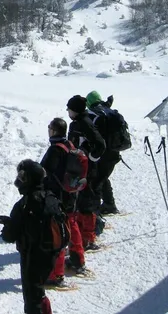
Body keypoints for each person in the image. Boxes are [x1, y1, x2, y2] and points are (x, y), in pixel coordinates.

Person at [0, 159, 62, 314]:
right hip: (51, 254)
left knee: (32, 297)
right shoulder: (50, 197)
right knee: (39, 291)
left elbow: (10, 236)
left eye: (22, 176)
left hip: (32, 256)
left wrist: (9, 225)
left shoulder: (24, 204)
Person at [40, 117, 88, 286]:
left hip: (58, 196)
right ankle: (78, 260)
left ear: (53, 131)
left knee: (57, 234)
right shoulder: (70, 145)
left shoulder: (55, 150)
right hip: (71, 194)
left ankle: (55, 274)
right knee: (72, 226)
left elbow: (45, 171)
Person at [66, 95, 106, 253]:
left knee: (86, 202)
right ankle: (84, 235)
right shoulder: (79, 123)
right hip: (80, 167)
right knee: (81, 200)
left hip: (86, 169)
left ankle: (88, 237)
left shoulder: (84, 123)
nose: (68, 111)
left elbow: (100, 144)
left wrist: (89, 158)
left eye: (69, 109)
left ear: (75, 110)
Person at [86, 91, 121, 215]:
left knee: (97, 181)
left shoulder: (93, 114)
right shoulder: (107, 111)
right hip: (115, 151)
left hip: (102, 154)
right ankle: (109, 204)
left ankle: (96, 211)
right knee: (102, 177)